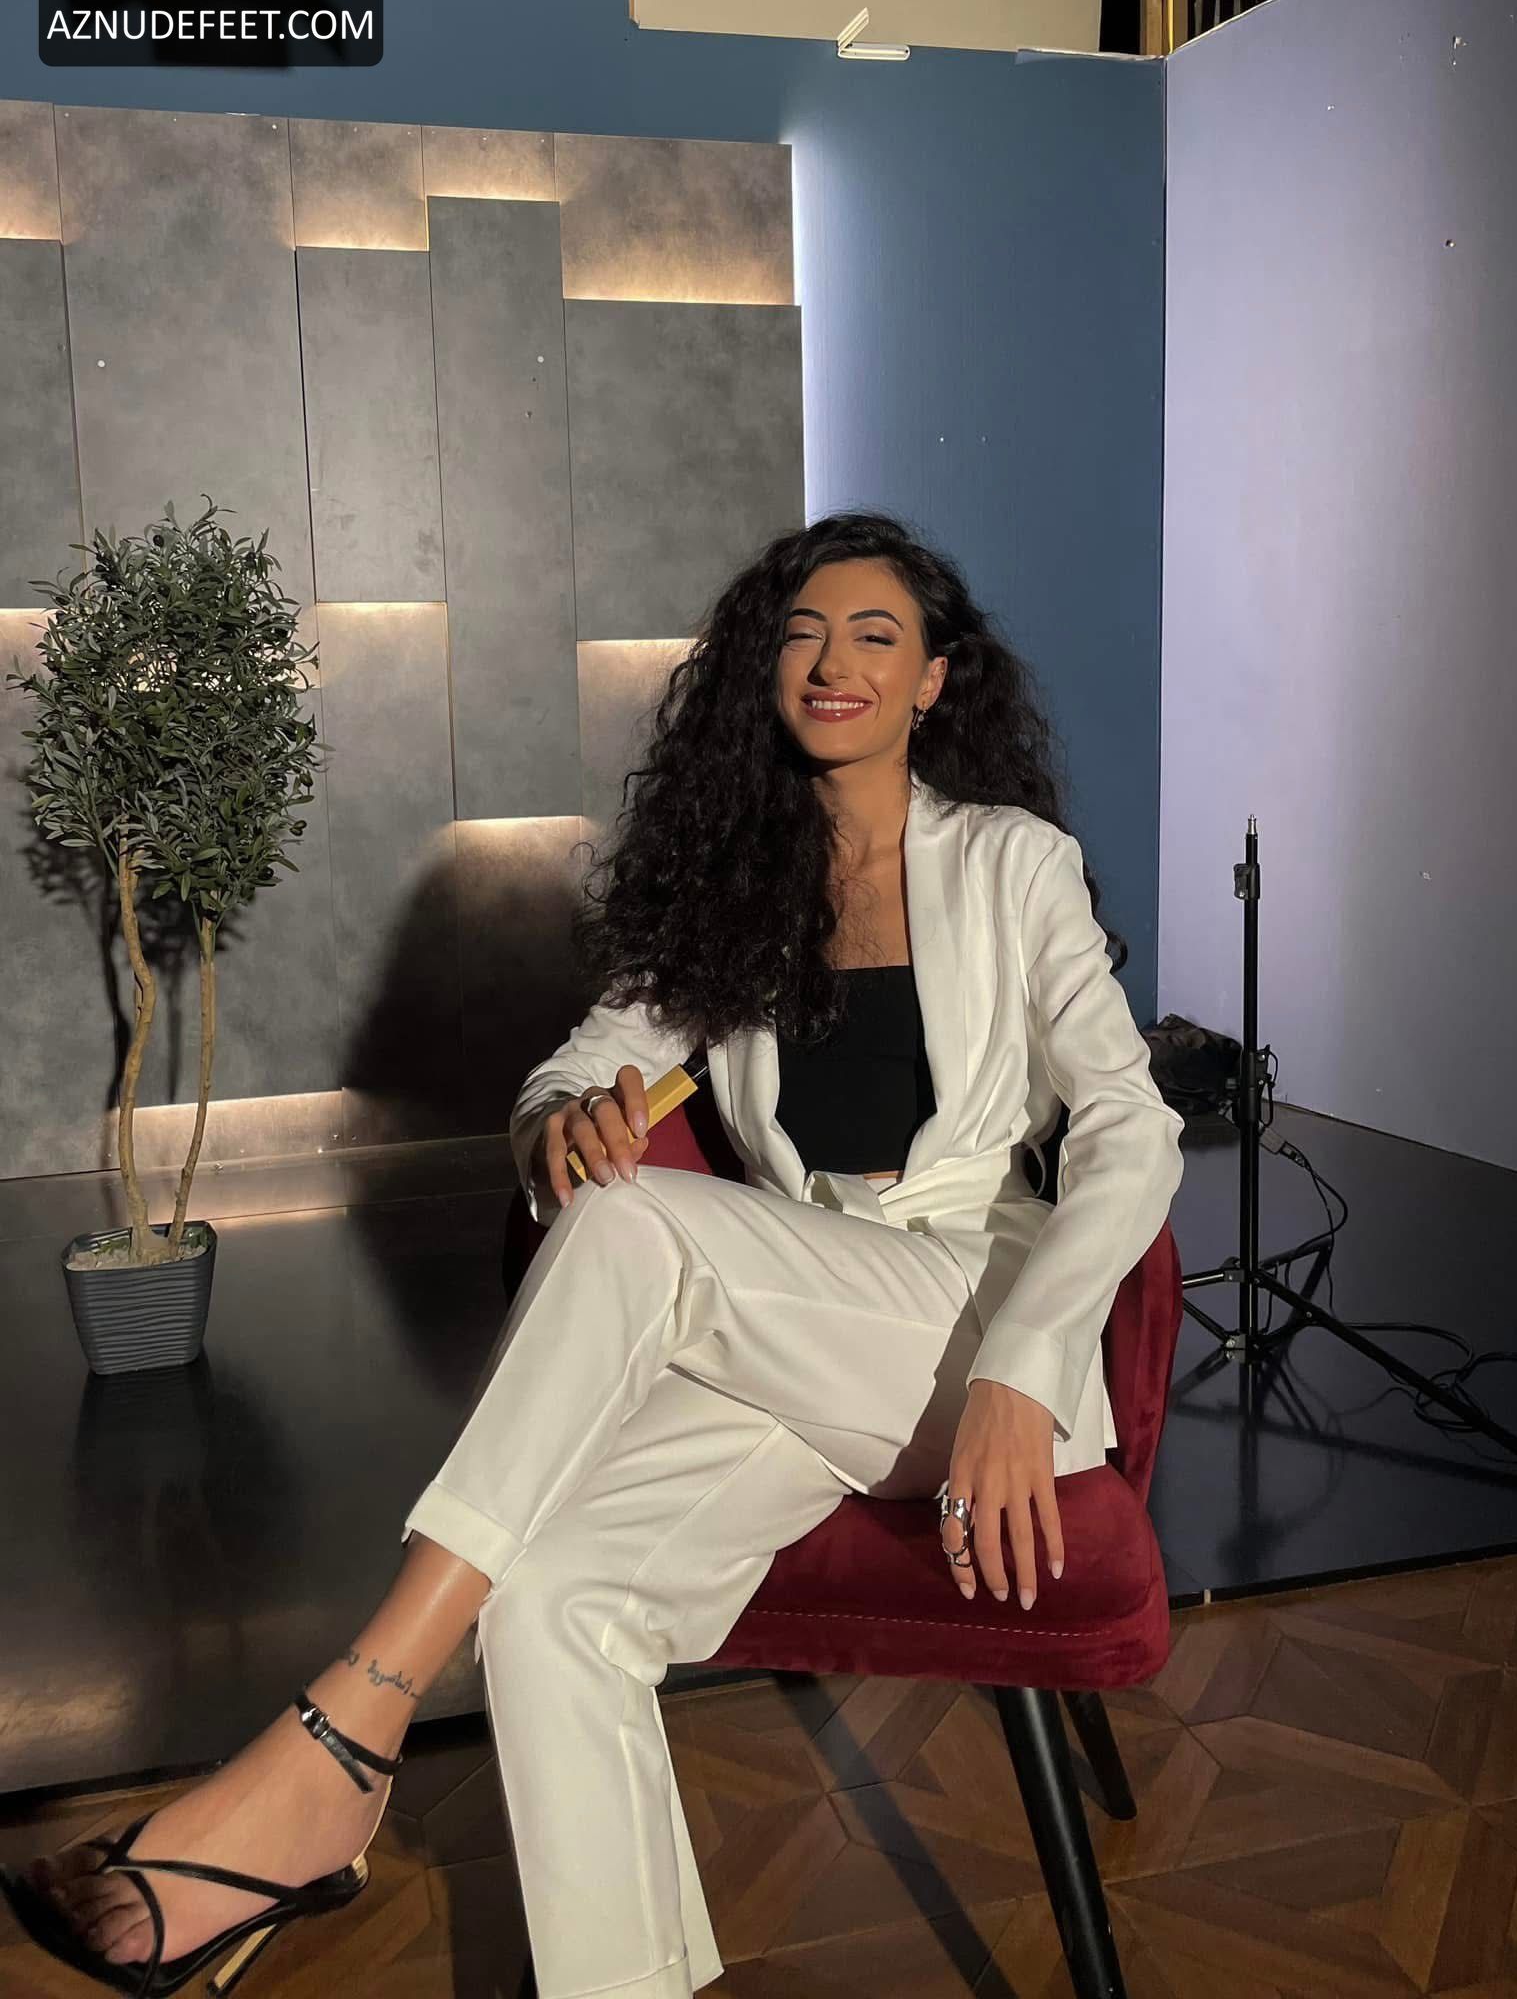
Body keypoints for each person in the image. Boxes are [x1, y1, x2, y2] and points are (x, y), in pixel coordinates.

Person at [2, 510, 1184, 1997]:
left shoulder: (1013, 863)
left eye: (875, 636)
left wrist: (1021, 1362)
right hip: (796, 1331)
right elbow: (579, 1064)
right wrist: (558, 1121)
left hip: (965, 1334)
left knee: (634, 1224)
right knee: (554, 1600)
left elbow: (1131, 1129)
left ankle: (345, 1731)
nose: (833, 663)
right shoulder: (738, 887)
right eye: (804, 635)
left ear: (935, 679)